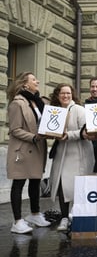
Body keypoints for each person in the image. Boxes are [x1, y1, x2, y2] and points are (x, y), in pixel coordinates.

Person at [6, 72, 51, 234]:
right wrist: (33, 137)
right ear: (25, 84)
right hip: (23, 149)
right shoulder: (17, 103)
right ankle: (17, 222)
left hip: (37, 147)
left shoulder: (37, 101)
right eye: (34, 80)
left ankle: (35, 214)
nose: (37, 81)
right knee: (18, 184)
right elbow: (15, 130)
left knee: (35, 181)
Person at [48, 83, 95, 231]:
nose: (65, 96)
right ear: (57, 95)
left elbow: (87, 131)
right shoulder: (55, 111)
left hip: (79, 153)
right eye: (62, 93)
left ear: (72, 95)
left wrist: (69, 135)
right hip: (62, 153)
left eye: (68, 93)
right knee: (61, 186)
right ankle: (63, 217)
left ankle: (75, 216)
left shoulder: (79, 110)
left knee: (76, 187)